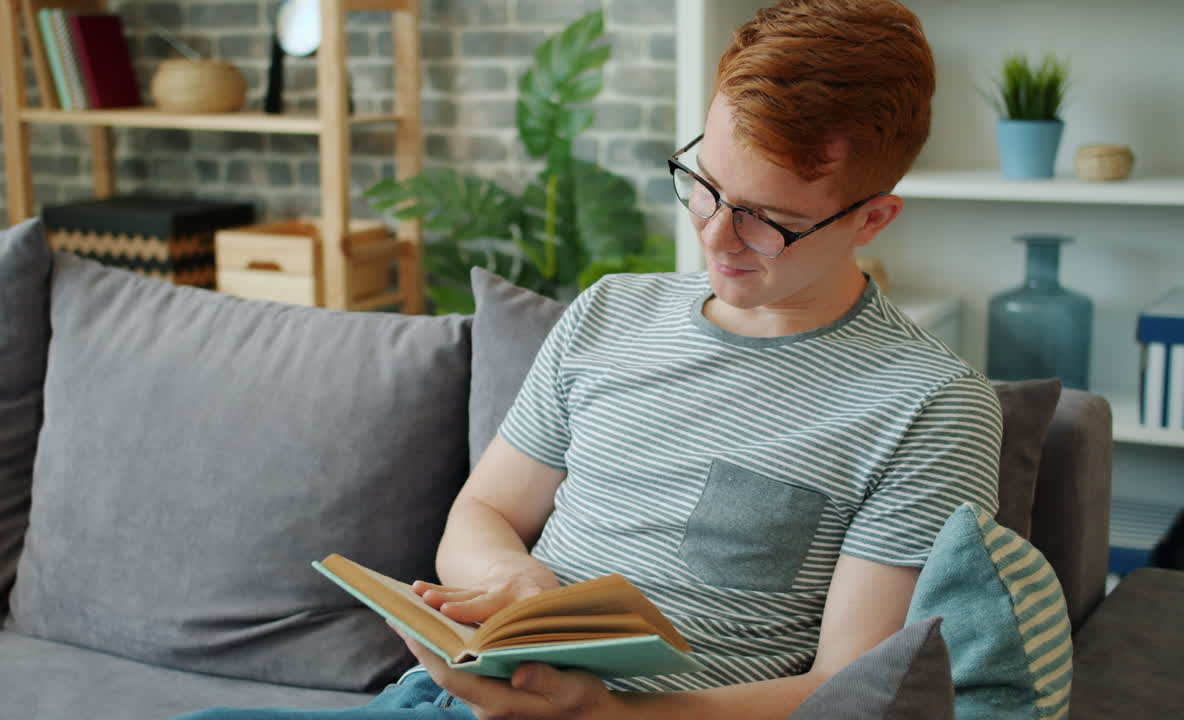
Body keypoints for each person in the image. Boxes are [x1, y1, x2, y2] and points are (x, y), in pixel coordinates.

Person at [177, 0, 1002, 718]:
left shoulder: (929, 405)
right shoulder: (611, 311)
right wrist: (516, 582)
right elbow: (483, 512)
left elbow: (849, 692)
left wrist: (606, 714)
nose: (714, 236)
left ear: (871, 219)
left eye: (767, 220)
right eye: (706, 185)